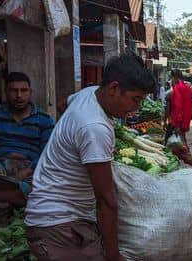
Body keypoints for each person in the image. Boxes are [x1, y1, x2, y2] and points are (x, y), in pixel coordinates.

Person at [24, 53, 155, 261]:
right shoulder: (96, 128)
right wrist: (113, 255)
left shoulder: (90, 93)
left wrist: (71, 145)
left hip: (56, 216)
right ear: (113, 89)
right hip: (58, 223)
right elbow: (105, 200)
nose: (135, 108)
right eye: (134, 99)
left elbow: (61, 105)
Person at [0, 72, 55, 206]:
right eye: (13, 91)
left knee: (42, 187)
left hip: (29, 169)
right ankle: (10, 194)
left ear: (30, 92)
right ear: (6, 92)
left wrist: (27, 171)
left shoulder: (44, 120)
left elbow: (48, 153)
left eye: (24, 90)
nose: (19, 95)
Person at [167, 69, 192, 167]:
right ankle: (189, 163)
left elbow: (178, 106)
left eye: (171, 78)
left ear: (174, 77)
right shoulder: (188, 88)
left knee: (178, 145)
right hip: (185, 121)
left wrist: (177, 125)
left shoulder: (177, 88)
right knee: (179, 143)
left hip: (177, 122)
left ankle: (191, 163)